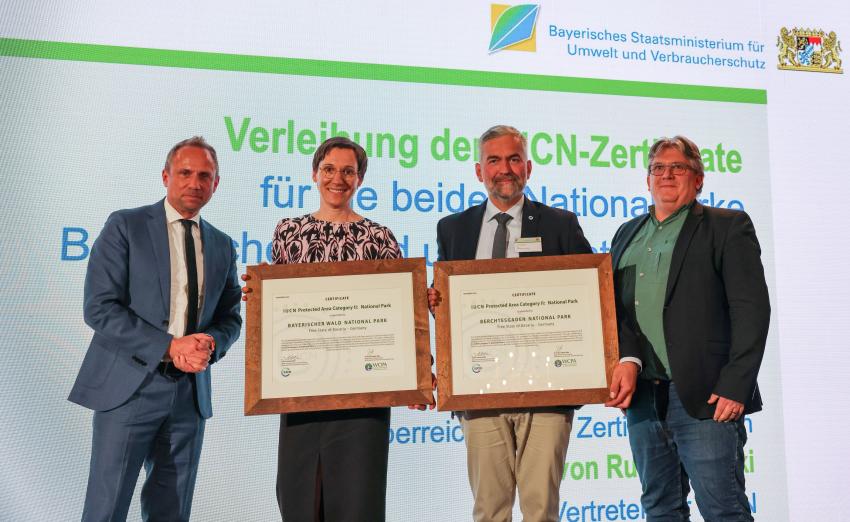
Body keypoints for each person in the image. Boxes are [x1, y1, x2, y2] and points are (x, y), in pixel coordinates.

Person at [68, 136, 242, 521]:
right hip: (129, 389)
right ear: (166, 176)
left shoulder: (223, 245)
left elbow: (231, 316)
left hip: (189, 398)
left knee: (172, 512)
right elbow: (99, 307)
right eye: (185, 173)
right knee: (106, 508)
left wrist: (210, 342)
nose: (194, 183)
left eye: (204, 176)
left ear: (216, 184)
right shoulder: (125, 226)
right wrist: (170, 346)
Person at [428, 125, 592, 522]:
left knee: (541, 510)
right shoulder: (453, 228)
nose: (505, 169)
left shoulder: (560, 225)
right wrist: (437, 303)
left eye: (514, 159)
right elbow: (453, 306)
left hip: (547, 390)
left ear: (529, 168)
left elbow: (590, 296)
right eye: (495, 160)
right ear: (478, 170)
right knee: (490, 511)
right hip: (478, 389)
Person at [242, 136, 411, 521]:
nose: (339, 178)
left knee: (358, 505)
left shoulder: (380, 238)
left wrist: (418, 373)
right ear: (315, 175)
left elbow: (401, 316)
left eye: (349, 171)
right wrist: (261, 304)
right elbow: (280, 313)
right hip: (301, 392)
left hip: (363, 400)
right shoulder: (289, 232)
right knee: (302, 501)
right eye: (330, 169)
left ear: (360, 179)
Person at [605, 136, 770, 521]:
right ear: (647, 180)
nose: (666, 175)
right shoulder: (625, 234)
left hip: (707, 397)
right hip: (645, 398)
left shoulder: (727, 227)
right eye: (657, 168)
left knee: (723, 508)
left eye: (678, 167)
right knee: (660, 508)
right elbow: (615, 311)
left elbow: (751, 309)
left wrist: (736, 383)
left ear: (698, 179)